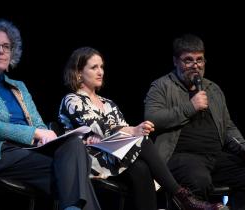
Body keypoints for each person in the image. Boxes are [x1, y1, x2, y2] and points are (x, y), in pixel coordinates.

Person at [58, 46, 229, 210]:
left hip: (114, 157)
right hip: (89, 160)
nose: (100, 72)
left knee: (142, 168)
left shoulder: (108, 103)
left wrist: (132, 131)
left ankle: (180, 198)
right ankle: (182, 196)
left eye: (101, 67)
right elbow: (101, 128)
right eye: (94, 67)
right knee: (143, 141)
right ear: (79, 73)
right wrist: (133, 131)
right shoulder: (73, 100)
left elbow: (120, 130)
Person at [0, 19, 100, 210]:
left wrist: (46, 137)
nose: (1, 51)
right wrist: (35, 134)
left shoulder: (19, 86)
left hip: (27, 151)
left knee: (73, 145)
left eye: (6, 46)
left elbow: (38, 123)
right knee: (74, 174)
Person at [144, 34, 245, 210]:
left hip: (214, 158)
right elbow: (152, 119)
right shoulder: (162, 86)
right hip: (179, 157)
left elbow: (227, 127)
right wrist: (191, 107)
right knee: (198, 179)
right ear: (175, 61)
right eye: (188, 60)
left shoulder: (213, 89)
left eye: (199, 60)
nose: (195, 66)